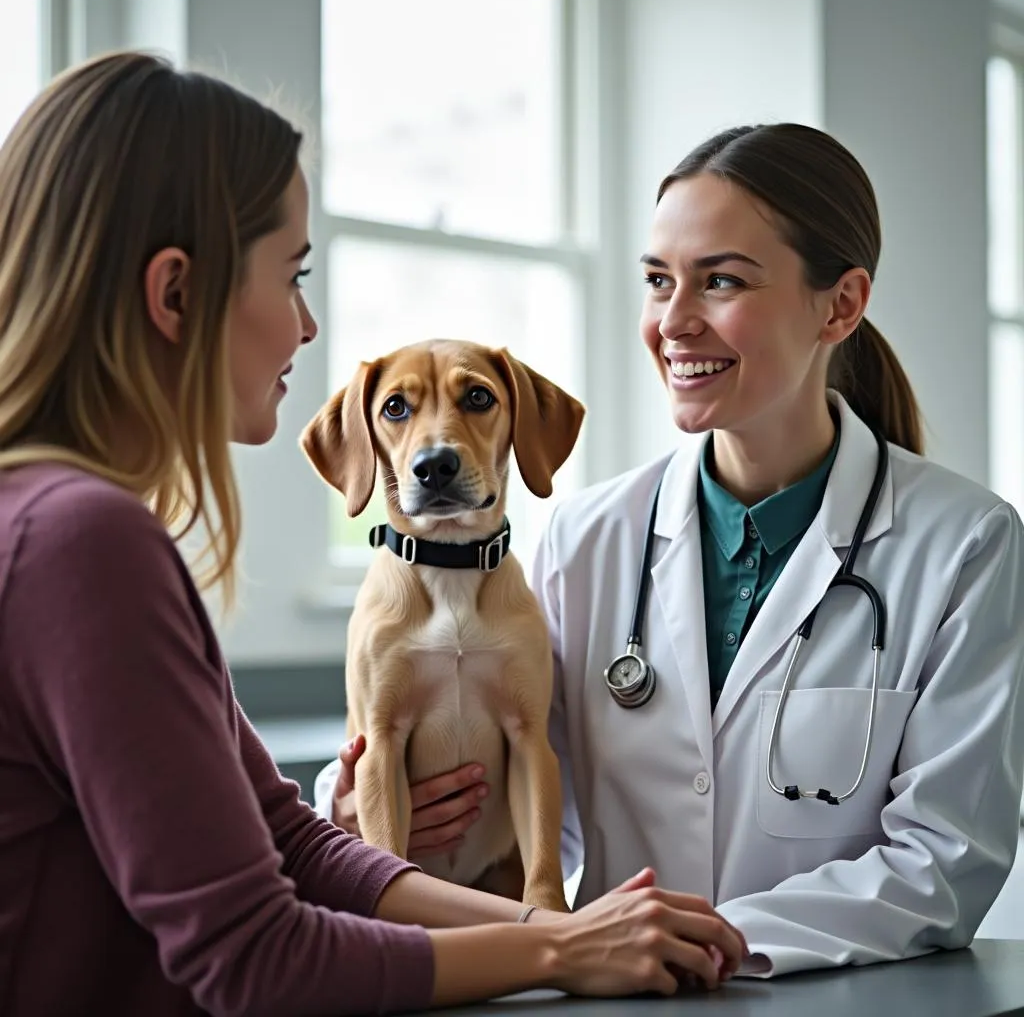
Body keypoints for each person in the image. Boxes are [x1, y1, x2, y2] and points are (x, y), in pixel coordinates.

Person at [0, 51, 749, 1017]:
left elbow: (295, 843)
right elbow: (255, 960)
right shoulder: (79, 544)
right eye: (291, 274)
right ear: (176, 294)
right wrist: (558, 957)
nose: (307, 327)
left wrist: (552, 926)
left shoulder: (74, 525)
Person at [319, 122, 1024, 978]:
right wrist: (356, 807)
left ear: (839, 305)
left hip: (842, 997)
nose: (674, 323)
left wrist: (698, 941)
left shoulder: (965, 544)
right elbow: (530, 792)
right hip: (614, 996)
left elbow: (944, 864)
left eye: (720, 280)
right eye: (658, 282)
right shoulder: (584, 540)